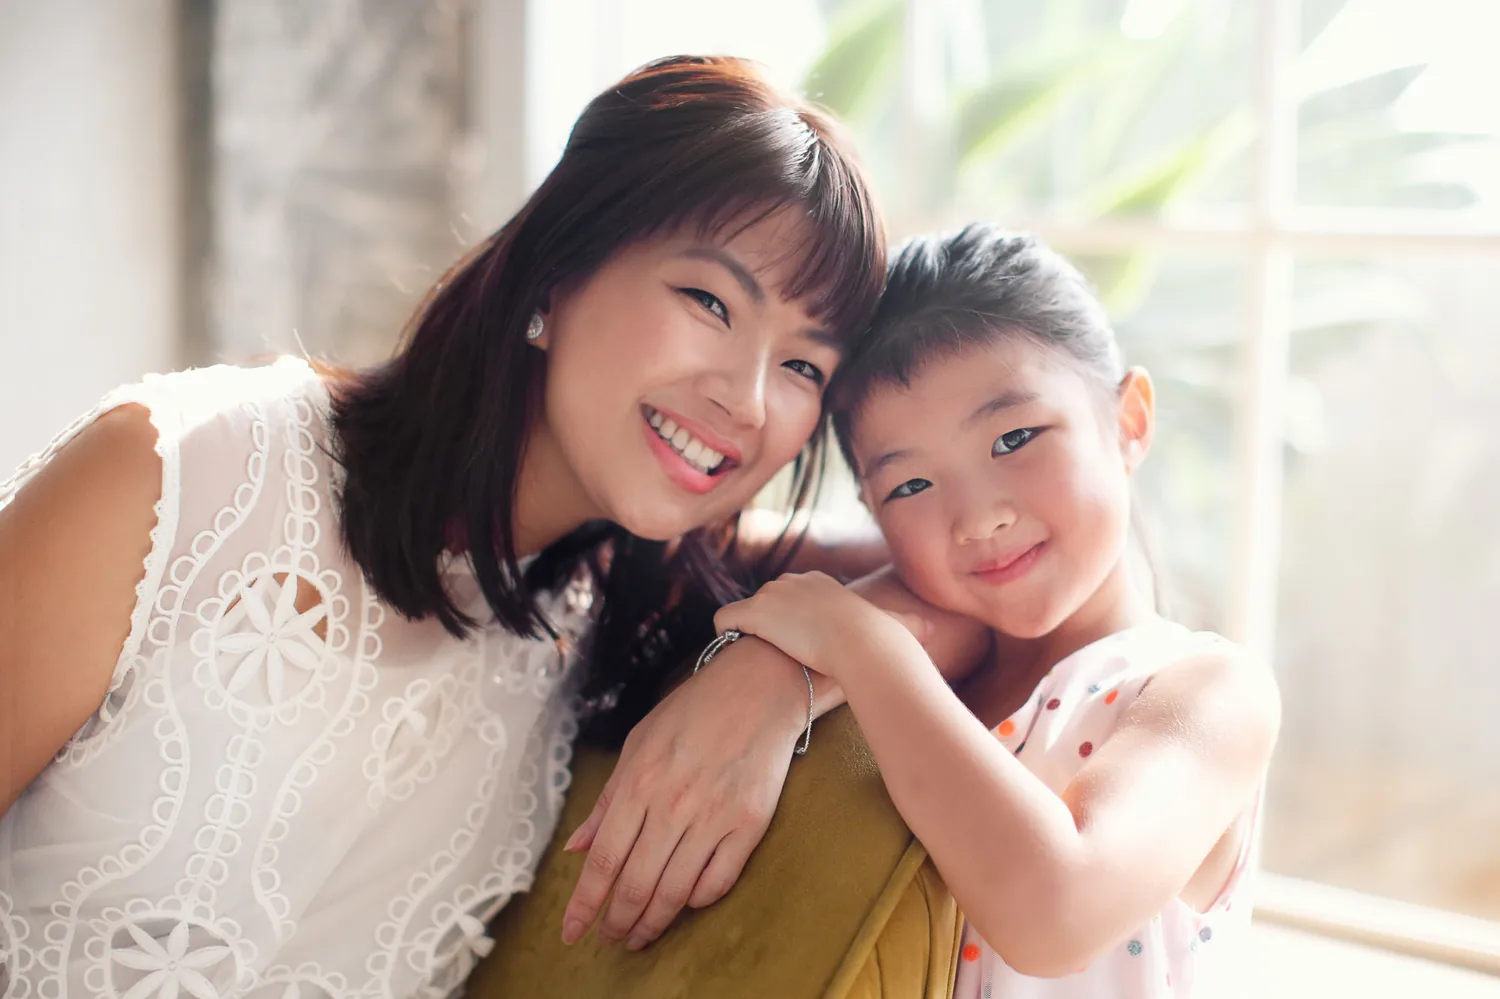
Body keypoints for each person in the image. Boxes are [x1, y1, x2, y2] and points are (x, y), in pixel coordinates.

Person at [0, 55, 964, 997]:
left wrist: (780, 673)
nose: (747, 401)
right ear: (557, 269)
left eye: (803, 367)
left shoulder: (608, 604)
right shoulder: (183, 472)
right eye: (710, 301)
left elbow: (967, 576)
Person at [716, 225, 1282, 997]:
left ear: (1129, 422)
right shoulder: (927, 674)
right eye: (910, 486)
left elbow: (1057, 912)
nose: (978, 518)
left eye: (1015, 437)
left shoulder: (1207, 691)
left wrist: (866, 644)